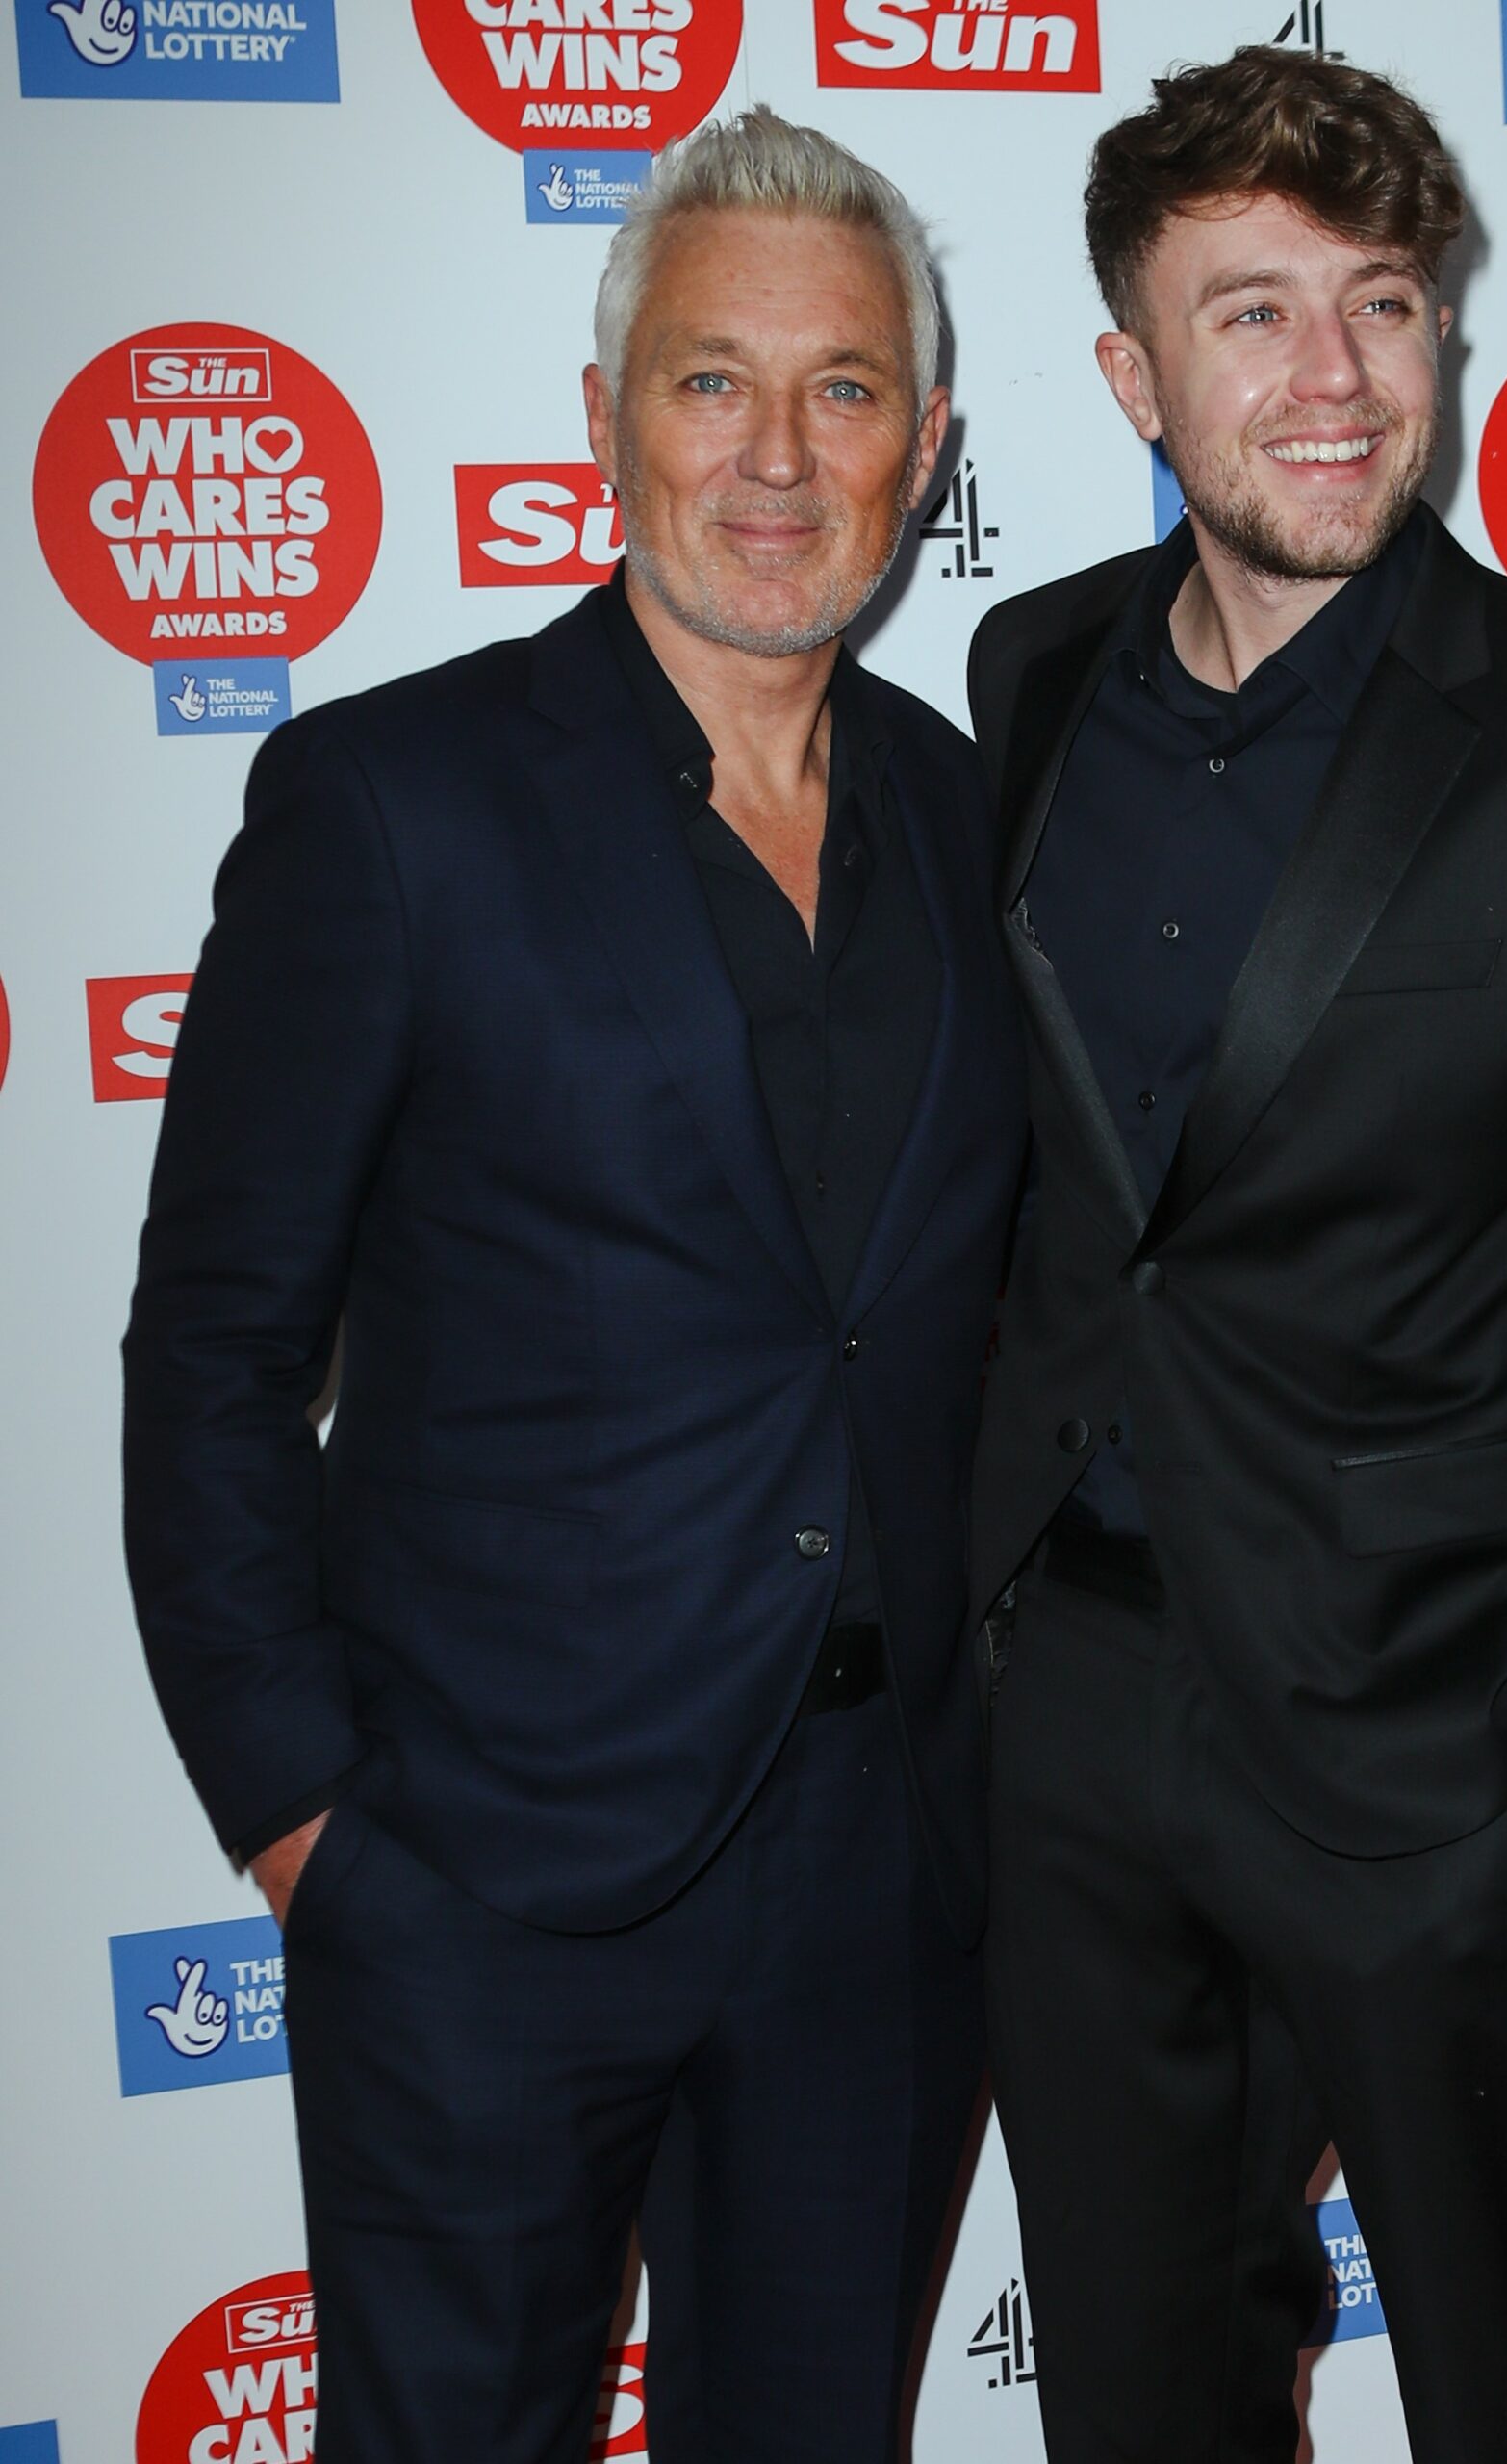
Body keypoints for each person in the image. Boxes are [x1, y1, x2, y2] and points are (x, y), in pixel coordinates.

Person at [122, 107, 1024, 2464]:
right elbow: (213, 1349)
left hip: (880, 1882)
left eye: (838, 390)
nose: (771, 453)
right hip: (481, 1880)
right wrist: (310, 1820)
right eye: (709, 379)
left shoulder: (962, 804)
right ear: (606, 414)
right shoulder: (389, 805)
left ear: (920, 452)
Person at [965, 46, 1507, 2464]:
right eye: (1247, 315)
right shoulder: (1026, 681)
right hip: (1084, 1717)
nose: (1326, 379)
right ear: (1133, 374)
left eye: (1380, 305)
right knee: (1139, 2396)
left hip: (1444, 1750)